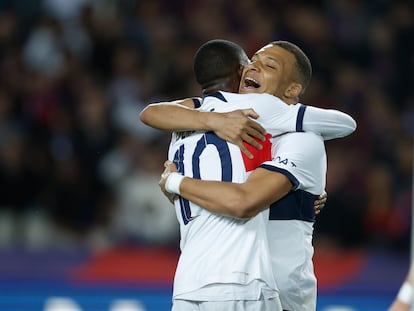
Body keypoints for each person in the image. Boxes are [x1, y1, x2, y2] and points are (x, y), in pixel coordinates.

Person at [141, 39, 356, 311]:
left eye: (268, 65)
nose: (252, 67)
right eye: (252, 60)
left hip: (284, 294)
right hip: (242, 283)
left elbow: (243, 200)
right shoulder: (232, 124)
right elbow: (155, 112)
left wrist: (175, 183)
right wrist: (214, 122)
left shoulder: (302, 139)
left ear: (292, 89)